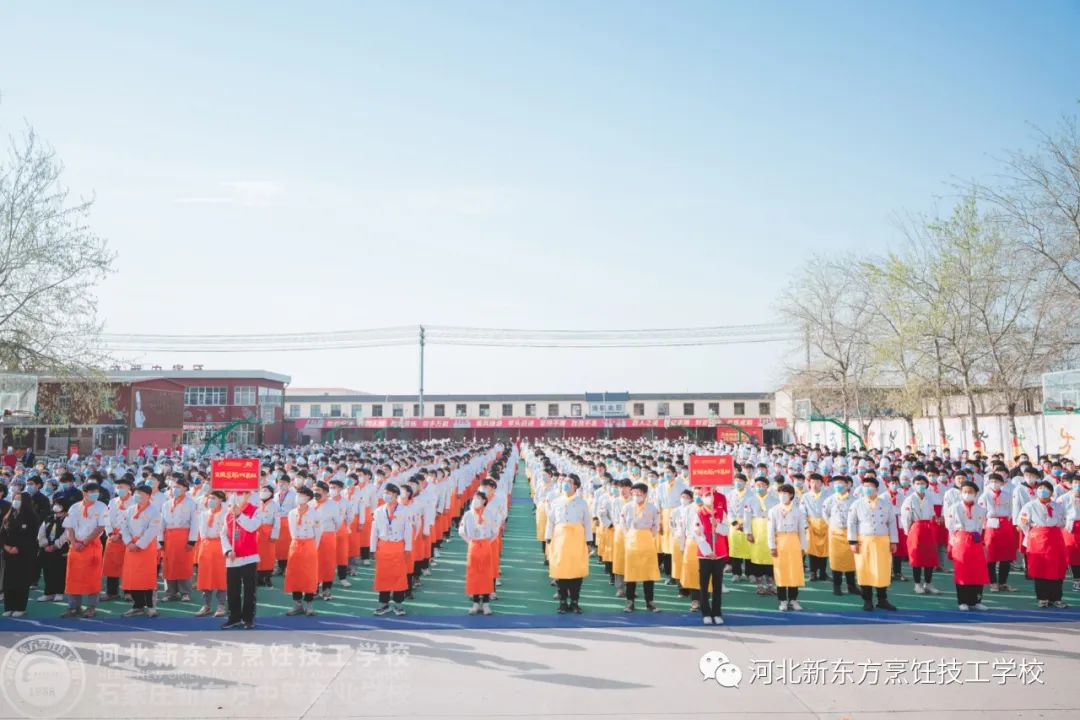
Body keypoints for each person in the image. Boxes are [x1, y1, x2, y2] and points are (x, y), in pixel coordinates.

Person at [848, 476, 898, 612]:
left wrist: (893, 541)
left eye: (870, 486)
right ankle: (867, 600)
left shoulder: (886, 504)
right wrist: (852, 541)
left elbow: (892, 523)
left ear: (877, 488)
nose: (867, 489)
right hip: (864, 542)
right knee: (865, 571)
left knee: (882, 571)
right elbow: (851, 523)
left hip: (882, 541)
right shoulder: (857, 504)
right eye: (865, 486)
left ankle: (882, 599)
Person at [546, 474, 592, 614]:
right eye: (565, 481)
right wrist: (548, 539)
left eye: (569, 482)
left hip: (576, 539)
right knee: (561, 570)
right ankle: (562, 602)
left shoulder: (582, 503)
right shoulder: (556, 502)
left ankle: (575, 601)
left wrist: (588, 541)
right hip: (559, 539)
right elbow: (550, 521)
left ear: (575, 486)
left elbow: (587, 523)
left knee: (576, 571)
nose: (565, 484)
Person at [1018, 480, 1068, 608]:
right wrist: (1031, 534)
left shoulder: (1058, 506)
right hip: (1037, 539)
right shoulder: (1030, 506)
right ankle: (1042, 598)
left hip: (1055, 538)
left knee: (1056, 568)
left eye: (1046, 489)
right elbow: (1023, 523)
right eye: (1040, 488)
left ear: (1051, 492)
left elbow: (1063, 522)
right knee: (1040, 568)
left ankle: (1056, 598)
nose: (1042, 491)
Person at [61, 483, 108, 618]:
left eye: (96, 491)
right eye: (92, 492)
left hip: (92, 545)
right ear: (84, 493)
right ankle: (73, 607)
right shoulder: (75, 507)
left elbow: (100, 527)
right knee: (73, 577)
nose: (95, 494)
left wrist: (85, 542)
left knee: (92, 578)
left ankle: (91, 607)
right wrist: (73, 542)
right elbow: (69, 527)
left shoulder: (101, 506)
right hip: (76, 546)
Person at [944, 481, 990, 610]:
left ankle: (976, 601)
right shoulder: (954, 508)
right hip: (961, 539)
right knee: (962, 571)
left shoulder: (981, 509)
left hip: (975, 540)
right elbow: (950, 526)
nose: (967, 494)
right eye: (965, 491)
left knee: (978, 571)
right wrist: (953, 541)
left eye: (970, 492)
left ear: (976, 494)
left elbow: (981, 527)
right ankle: (962, 601)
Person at [120, 484, 162, 617]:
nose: (138, 496)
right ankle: (137, 605)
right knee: (133, 577)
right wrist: (128, 542)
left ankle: (150, 606)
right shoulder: (130, 510)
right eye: (136, 493)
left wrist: (139, 544)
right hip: (131, 547)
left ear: (149, 496)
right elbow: (124, 527)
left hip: (146, 547)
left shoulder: (154, 511)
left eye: (141, 494)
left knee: (147, 577)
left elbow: (152, 530)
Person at [689, 486, 728, 625]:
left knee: (717, 585)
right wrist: (707, 551)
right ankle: (705, 612)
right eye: (706, 495)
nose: (709, 497)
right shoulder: (698, 513)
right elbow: (697, 534)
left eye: (710, 495)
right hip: (705, 555)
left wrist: (717, 526)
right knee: (704, 584)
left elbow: (726, 531)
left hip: (720, 553)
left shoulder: (721, 512)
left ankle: (717, 612)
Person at [221, 491, 261, 629]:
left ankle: (248, 618)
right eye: (237, 493)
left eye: (243, 493)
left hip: (249, 557)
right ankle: (234, 617)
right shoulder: (228, 513)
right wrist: (228, 550)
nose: (239, 496)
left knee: (249, 589)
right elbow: (223, 534)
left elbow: (252, 527)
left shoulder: (255, 510)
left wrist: (239, 515)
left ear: (248, 495)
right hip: (233, 558)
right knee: (232, 589)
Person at [620, 481, 661, 613]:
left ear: (645, 494)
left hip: (647, 540)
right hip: (632, 540)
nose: (636, 496)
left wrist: (648, 535)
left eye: (639, 493)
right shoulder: (627, 507)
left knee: (648, 573)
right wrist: (629, 534)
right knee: (631, 572)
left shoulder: (652, 508)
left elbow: (656, 525)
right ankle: (630, 601)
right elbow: (622, 523)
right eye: (634, 493)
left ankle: (649, 602)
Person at [371, 482, 411, 616]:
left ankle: (398, 603)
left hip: (398, 546)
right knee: (383, 576)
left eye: (388, 493)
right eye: (385, 493)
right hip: (383, 546)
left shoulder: (404, 510)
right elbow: (374, 531)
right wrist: (372, 548)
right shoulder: (378, 511)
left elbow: (408, 530)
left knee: (398, 576)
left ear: (395, 495)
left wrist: (408, 547)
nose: (385, 495)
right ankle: (383, 603)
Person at [768, 483, 808, 611]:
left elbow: (802, 530)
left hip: (794, 542)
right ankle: (782, 600)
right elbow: (770, 530)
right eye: (780, 493)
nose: (782, 496)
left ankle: (793, 599)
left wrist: (803, 547)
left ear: (791, 495)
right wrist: (772, 546)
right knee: (781, 572)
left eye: (785, 493)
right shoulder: (773, 510)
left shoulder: (798, 511)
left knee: (794, 572)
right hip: (780, 542)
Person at [901, 475, 943, 594]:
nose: (920, 486)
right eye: (918, 484)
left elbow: (932, 513)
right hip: (916, 528)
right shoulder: (909, 499)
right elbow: (906, 517)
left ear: (926, 485)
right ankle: (917, 584)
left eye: (923, 484)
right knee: (917, 557)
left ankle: (928, 583)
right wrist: (907, 531)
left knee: (930, 557)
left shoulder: (928, 498)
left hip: (928, 528)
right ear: (914, 485)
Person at [459, 490, 498, 615]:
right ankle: (475, 603)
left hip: (485, 545)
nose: (476, 501)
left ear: (484, 501)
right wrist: (470, 542)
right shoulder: (468, 515)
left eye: (479, 499)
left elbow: (495, 531)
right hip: (474, 546)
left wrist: (487, 542)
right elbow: (461, 531)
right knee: (474, 574)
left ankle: (486, 604)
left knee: (486, 574)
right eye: (474, 498)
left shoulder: (489, 514)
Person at [2, 491, 40, 616]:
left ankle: (20, 608)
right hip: (9, 554)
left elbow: (32, 537)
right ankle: (9, 607)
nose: (16, 501)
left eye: (19, 499)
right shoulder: (9, 516)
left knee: (21, 581)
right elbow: (2, 533)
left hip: (24, 555)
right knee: (8, 581)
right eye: (15, 498)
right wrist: (5, 546)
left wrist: (19, 548)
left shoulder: (32, 517)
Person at [979, 472, 1018, 592]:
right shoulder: (985, 496)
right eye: (992, 481)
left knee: (1006, 555)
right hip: (991, 525)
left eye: (997, 481)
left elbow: (1011, 510)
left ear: (1002, 483)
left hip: (1005, 525)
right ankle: (993, 582)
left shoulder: (1007, 495)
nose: (994, 484)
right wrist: (982, 528)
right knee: (991, 555)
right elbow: (981, 513)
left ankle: (1002, 582)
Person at [284, 486, 320, 616]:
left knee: (309, 575)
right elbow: (291, 531)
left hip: (309, 544)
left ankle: (309, 604)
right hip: (295, 544)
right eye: (298, 494)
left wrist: (313, 547)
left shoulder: (314, 513)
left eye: (301, 495)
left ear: (308, 498)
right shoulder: (292, 513)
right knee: (295, 574)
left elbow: (318, 532)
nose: (298, 497)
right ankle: (297, 604)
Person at [161, 477, 198, 602]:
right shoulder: (166, 504)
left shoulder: (191, 503)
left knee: (183, 564)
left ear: (185, 488)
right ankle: (170, 592)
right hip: (169, 537)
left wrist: (191, 540)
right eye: (173, 487)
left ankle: (185, 592)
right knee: (169, 564)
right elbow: (162, 523)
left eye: (178, 487)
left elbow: (194, 523)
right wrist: (161, 539)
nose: (175, 489)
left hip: (183, 537)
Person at [194, 491, 228, 618]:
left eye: (213, 498)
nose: (210, 500)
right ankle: (206, 605)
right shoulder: (203, 514)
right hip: (206, 547)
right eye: (209, 498)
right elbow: (202, 533)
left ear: (221, 500)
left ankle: (221, 605)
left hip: (221, 546)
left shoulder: (226, 514)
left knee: (221, 577)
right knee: (205, 577)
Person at [101, 476, 134, 602]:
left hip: (127, 537)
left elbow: (131, 520)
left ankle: (128, 592)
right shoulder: (113, 501)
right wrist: (110, 533)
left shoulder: (134, 502)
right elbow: (106, 518)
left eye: (122, 487)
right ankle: (111, 592)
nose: (119, 489)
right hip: (112, 537)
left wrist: (120, 534)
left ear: (129, 488)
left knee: (128, 565)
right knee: (111, 565)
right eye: (118, 487)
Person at [824, 475, 859, 596]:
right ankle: (837, 586)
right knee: (836, 560)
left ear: (847, 485)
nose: (838, 486)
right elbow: (825, 514)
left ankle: (851, 586)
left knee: (851, 560)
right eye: (836, 484)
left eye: (841, 483)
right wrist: (833, 524)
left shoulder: (854, 500)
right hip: (835, 534)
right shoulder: (829, 500)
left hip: (850, 533)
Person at [744, 476, 778, 596]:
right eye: (758, 485)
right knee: (757, 559)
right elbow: (747, 518)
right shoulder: (750, 500)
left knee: (770, 559)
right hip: (756, 531)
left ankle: (771, 585)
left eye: (762, 485)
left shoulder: (775, 500)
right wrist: (748, 532)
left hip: (770, 530)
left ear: (767, 486)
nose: (760, 487)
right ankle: (759, 586)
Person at [37, 496, 70, 602]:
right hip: (46, 549)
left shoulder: (68, 519)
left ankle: (59, 592)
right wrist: (45, 544)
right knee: (47, 571)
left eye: (58, 504)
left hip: (60, 550)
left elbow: (67, 534)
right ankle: (48, 593)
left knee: (60, 571)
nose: (56, 506)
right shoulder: (49, 518)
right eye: (55, 504)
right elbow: (41, 532)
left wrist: (55, 545)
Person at [800, 473, 830, 581]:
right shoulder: (805, 496)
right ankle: (813, 572)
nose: (814, 485)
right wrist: (805, 525)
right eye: (812, 482)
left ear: (822, 483)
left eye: (817, 482)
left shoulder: (827, 495)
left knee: (824, 549)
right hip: (811, 524)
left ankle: (823, 572)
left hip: (825, 524)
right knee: (811, 549)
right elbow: (802, 512)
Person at [254, 484, 280, 587]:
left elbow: (277, 521)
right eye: (262, 490)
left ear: (271, 493)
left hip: (268, 533)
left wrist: (274, 534)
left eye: (266, 490)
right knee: (257, 555)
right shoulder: (256, 503)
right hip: (257, 532)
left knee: (268, 556)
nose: (263, 492)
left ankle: (267, 577)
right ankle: (258, 578)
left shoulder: (275, 505)